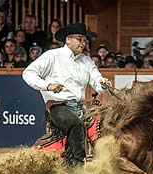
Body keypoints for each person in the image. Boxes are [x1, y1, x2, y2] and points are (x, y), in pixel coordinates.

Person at [22, 22, 110, 164]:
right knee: (75, 124)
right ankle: (78, 165)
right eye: (79, 39)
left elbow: (97, 81)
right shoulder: (52, 56)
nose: (83, 43)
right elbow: (28, 73)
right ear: (68, 39)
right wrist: (48, 86)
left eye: (84, 40)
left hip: (80, 106)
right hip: (58, 106)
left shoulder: (87, 61)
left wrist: (103, 83)